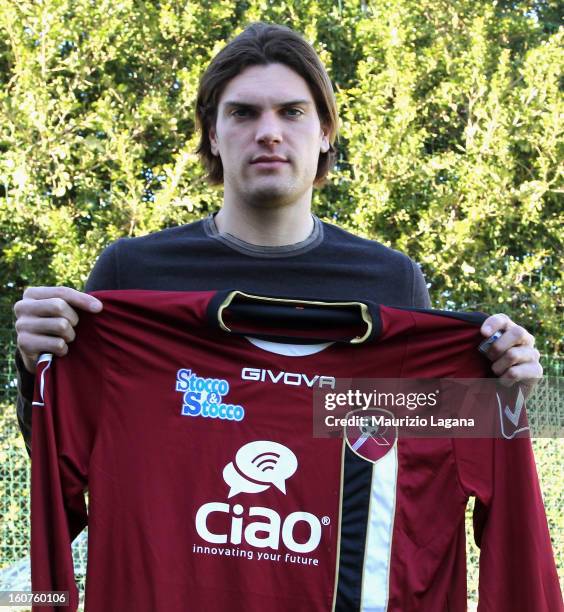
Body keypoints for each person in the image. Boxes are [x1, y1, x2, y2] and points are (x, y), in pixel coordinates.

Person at [13, 22, 541, 454]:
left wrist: (507, 395)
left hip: (324, 580)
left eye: (292, 112)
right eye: (243, 113)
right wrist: (34, 360)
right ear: (213, 135)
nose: (269, 132)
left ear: (326, 132)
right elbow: (60, 451)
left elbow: (416, 446)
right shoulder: (132, 275)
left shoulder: (388, 280)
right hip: (174, 582)